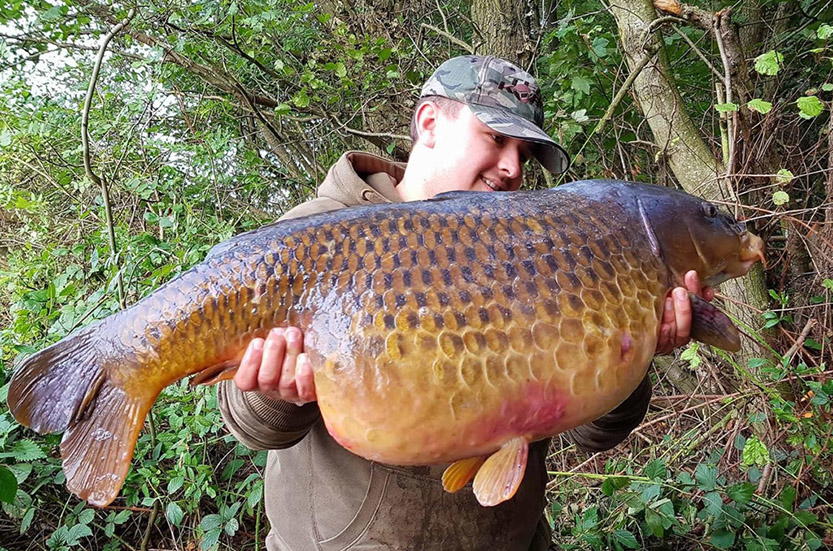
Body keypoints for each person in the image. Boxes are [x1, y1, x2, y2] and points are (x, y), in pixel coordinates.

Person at [217, 55, 711, 550]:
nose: (513, 167)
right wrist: (279, 390)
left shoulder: (537, 251)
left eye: (526, 152)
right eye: (496, 138)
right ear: (429, 123)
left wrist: (634, 350)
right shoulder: (316, 238)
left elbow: (593, 437)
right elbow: (252, 428)